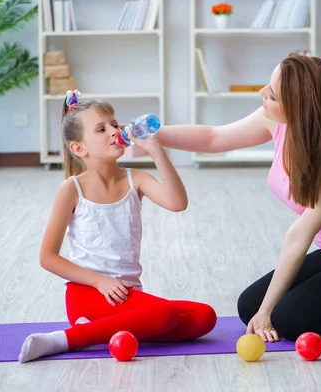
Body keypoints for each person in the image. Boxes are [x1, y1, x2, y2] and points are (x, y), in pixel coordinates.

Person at [155, 54, 321, 343]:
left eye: (273, 94)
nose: (262, 94)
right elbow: (213, 137)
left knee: (285, 320)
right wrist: (152, 134)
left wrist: (268, 311)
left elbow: (301, 232)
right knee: (248, 306)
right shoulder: (278, 119)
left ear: (300, 107)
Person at [18, 90, 217, 363]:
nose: (114, 131)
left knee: (205, 317)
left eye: (114, 124)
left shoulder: (136, 178)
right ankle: (66, 339)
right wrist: (100, 281)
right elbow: (47, 257)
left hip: (128, 295)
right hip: (88, 293)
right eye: (102, 129)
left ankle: (97, 330)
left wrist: (156, 151)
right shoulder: (71, 189)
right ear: (79, 148)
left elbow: (177, 202)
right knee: (166, 316)